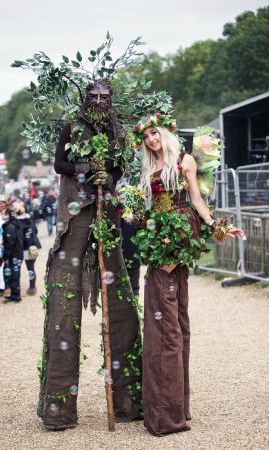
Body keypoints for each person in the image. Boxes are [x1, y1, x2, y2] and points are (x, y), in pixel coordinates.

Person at [38, 78, 142, 430]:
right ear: (86, 99)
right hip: (77, 211)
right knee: (65, 302)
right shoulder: (72, 126)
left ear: (112, 100)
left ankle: (128, 401)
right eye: (94, 95)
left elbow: (121, 167)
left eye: (105, 96)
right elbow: (58, 164)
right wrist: (84, 169)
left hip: (106, 209)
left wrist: (107, 175)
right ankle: (59, 409)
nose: (99, 100)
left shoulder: (119, 131)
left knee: (121, 302)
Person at [131, 114, 245, 437]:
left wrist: (220, 227)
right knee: (170, 321)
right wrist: (135, 213)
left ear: (165, 132)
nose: (152, 139)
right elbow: (149, 210)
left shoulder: (184, 161)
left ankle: (168, 416)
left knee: (168, 324)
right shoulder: (147, 168)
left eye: (155, 133)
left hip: (177, 239)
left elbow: (196, 200)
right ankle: (171, 408)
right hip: (158, 241)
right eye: (146, 137)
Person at [16, 205, 41, 295]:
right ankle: (32, 287)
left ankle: (16, 288)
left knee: (17, 269)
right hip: (32, 247)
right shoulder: (30, 220)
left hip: (22, 248)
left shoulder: (17, 223)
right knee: (31, 269)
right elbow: (36, 231)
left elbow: (19, 237)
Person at [2, 208, 24, 303]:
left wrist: (6, 255)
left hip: (14, 254)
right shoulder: (14, 224)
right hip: (17, 253)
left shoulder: (10, 226)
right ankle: (14, 294)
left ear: (7, 214)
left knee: (14, 275)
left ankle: (16, 296)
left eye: (3, 213)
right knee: (14, 274)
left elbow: (10, 243)